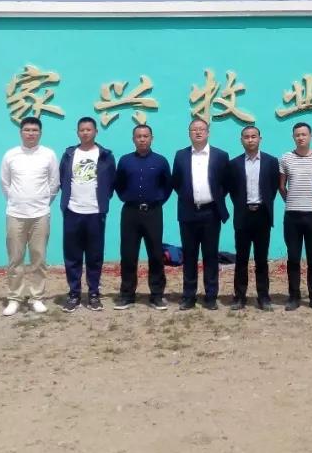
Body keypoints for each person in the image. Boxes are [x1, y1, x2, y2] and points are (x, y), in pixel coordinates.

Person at [0, 116, 59, 316]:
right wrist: (17, 200)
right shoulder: (11, 155)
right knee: (15, 259)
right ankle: (14, 298)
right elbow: (5, 184)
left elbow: (54, 184)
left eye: (34, 130)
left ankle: (37, 297)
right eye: (27, 130)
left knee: (38, 258)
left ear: (40, 133)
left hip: (40, 214)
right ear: (21, 132)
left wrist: (42, 203)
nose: (31, 133)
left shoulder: (48, 155)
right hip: (15, 214)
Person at [171, 118, 230, 310]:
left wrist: (213, 198)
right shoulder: (180, 155)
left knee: (210, 255)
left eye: (201, 129)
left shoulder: (220, 155)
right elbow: (176, 182)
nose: (198, 132)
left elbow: (226, 183)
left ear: (208, 132)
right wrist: (189, 197)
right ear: (189, 133)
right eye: (194, 129)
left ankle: (211, 296)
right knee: (189, 255)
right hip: (188, 212)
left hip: (211, 212)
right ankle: (189, 296)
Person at [58, 116, 116, 312]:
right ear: (77, 132)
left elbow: (111, 183)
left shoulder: (105, 155)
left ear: (95, 132)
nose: (85, 133)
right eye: (82, 130)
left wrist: (102, 201)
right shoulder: (69, 154)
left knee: (94, 256)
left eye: (89, 129)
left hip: (95, 213)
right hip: (72, 211)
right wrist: (68, 204)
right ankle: (74, 294)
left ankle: (93, 294)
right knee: (72, 256)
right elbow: (62, 179)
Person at [113, 124, 172, 309]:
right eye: (138, 136)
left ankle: (156, 295)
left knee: (155, 254)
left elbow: (167, 186)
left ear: (151, 138)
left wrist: (158, 201)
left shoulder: (161, 161)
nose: (142, 139)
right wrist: (127, 198)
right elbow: (118, 184)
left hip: (153, 212)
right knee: (128, 255)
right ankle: (127, 295)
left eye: (145, 136)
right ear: (133, 139)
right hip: (130, 213)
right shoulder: (125, 161)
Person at [225, 125, 280, 310]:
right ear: (241, 140)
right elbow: (232, 189)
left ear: (260, 139)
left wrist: (263, 204)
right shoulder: (234, 164)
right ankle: (239, 297)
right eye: (246, 137)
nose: (250, 140)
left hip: (263, 214)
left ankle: (263, 297)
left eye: (253, 136)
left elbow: (273, 187)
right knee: (241, 258)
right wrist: (242, 205)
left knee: (261, 259)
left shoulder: (271, 162)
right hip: (243, 214)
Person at [279, 122, 312, 312]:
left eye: (304, 134)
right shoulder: (286, 158)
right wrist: (293, 201)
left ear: (311, 136)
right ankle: (294, 297)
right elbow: (282, 186)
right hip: (292, 216)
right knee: (293, 257)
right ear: (293, 137)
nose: (300, 137)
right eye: (297, 135)